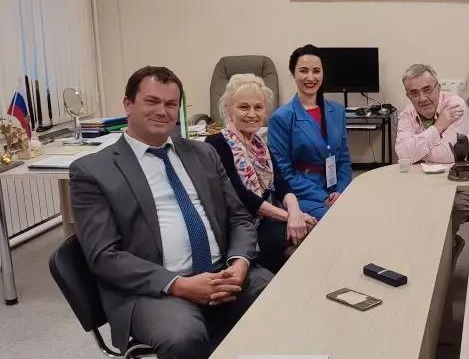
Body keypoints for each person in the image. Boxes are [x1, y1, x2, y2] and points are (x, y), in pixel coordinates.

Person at [69, 66, 272, 359]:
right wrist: (178, 284)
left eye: (170, 104)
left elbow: (239, 218)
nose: (162, 111)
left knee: (278, 298)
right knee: (183, 337)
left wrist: (239, 263)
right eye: (152, 101)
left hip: (222, 272)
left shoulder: (203, 153)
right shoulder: (92, 171)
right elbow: (104, 256)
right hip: (155, 289)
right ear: (128, 104)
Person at [205, 74, 316, 274]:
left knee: (308, 228)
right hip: (242, 226)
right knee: (307, 232)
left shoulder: (259, 144)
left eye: (258, 107)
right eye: (243, 107)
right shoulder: (216, 143)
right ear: (229, 109)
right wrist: (288, 217)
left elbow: (281, 183)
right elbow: (241, 197)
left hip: (267, 219)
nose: (252, 114)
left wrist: (295, 212)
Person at [395, 63, 469, 256]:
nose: (422, 98)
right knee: (402, 210)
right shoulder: (407, 113)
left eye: (427, 89)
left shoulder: (456, 106)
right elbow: (402, 154)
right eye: (414, 93)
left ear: (438, 87)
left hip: (466, 182)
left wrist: (417, 149)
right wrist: (439, 126)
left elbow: (447, 155)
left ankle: (446, 251)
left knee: (442, 220)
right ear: (408, 95)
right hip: (425, 181)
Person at [268, 44, 353, 220]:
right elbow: (283, 172)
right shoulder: (281, 117)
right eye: (304, 71)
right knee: (337, 219)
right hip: (302, 194)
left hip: (336, 189)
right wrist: (322, 197)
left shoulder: (337, 111)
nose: (311, 77)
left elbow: (344, 159)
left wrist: (341, 190)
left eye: (316, 71)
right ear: (293, 74)